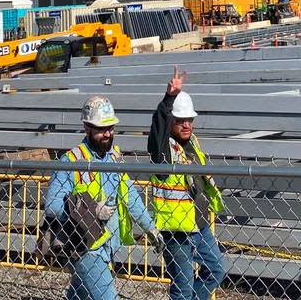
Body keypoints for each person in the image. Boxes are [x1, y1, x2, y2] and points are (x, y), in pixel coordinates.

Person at [46, 95, 161, 300]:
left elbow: (129, 194)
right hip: (83, 247)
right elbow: (53, 206)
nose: (108, 134)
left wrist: (149, 227)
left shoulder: (114, 157)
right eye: (101, 129)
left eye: (111, 128)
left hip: (106, 246)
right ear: (87, 127)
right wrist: (91, 211)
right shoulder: (72, 160)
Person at [148, 67, 226, 300]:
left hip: (199, 224)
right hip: (176, 230)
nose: (186, 125)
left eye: (189, 120)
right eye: (180, 120)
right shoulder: (163, 151)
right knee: (182, 285)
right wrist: (168, 99)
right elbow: (156, 132)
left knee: (216, 270)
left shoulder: (192, 142)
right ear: (171, 120)